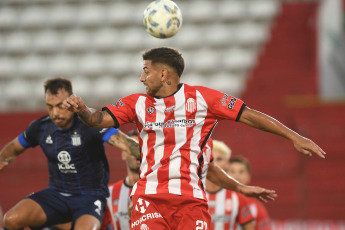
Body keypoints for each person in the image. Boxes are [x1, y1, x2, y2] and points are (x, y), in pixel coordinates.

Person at [63, 47, 325, 230]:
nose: (141, 77)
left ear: (164, 74)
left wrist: (294, 136)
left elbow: (249, 115)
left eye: (146, 71)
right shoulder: (137, 103)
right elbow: (98, 121)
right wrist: (83, 110)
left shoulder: (203, 98)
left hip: (191, 201)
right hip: (148, 197)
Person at [0, 78, 140, 230]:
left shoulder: (90, 124)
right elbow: (13, 148)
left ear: (70, 102)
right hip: (56, 195)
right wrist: (2, 159)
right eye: (50, 106)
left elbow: (127, 144)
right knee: (11, 220)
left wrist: (148, 154)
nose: (55, 112)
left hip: (90, 198)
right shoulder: (40, 127)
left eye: (60, 106)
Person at [205, 139, 255, 230]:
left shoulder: (237, 196)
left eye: (219, 159)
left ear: (227, 164)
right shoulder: (193, 192)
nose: (214, 164)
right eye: (211, 158)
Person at [101, 130, 140, 230]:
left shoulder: (156, 190)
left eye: (141, 148)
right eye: (132, 148)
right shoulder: (109, 193)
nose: (138, 153)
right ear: (123, 155)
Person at [229, 156, 272, 230]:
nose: (236, 176)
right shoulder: (211, 197)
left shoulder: (256, 207)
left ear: (248, 176)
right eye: (232, 171)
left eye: (241, 172)